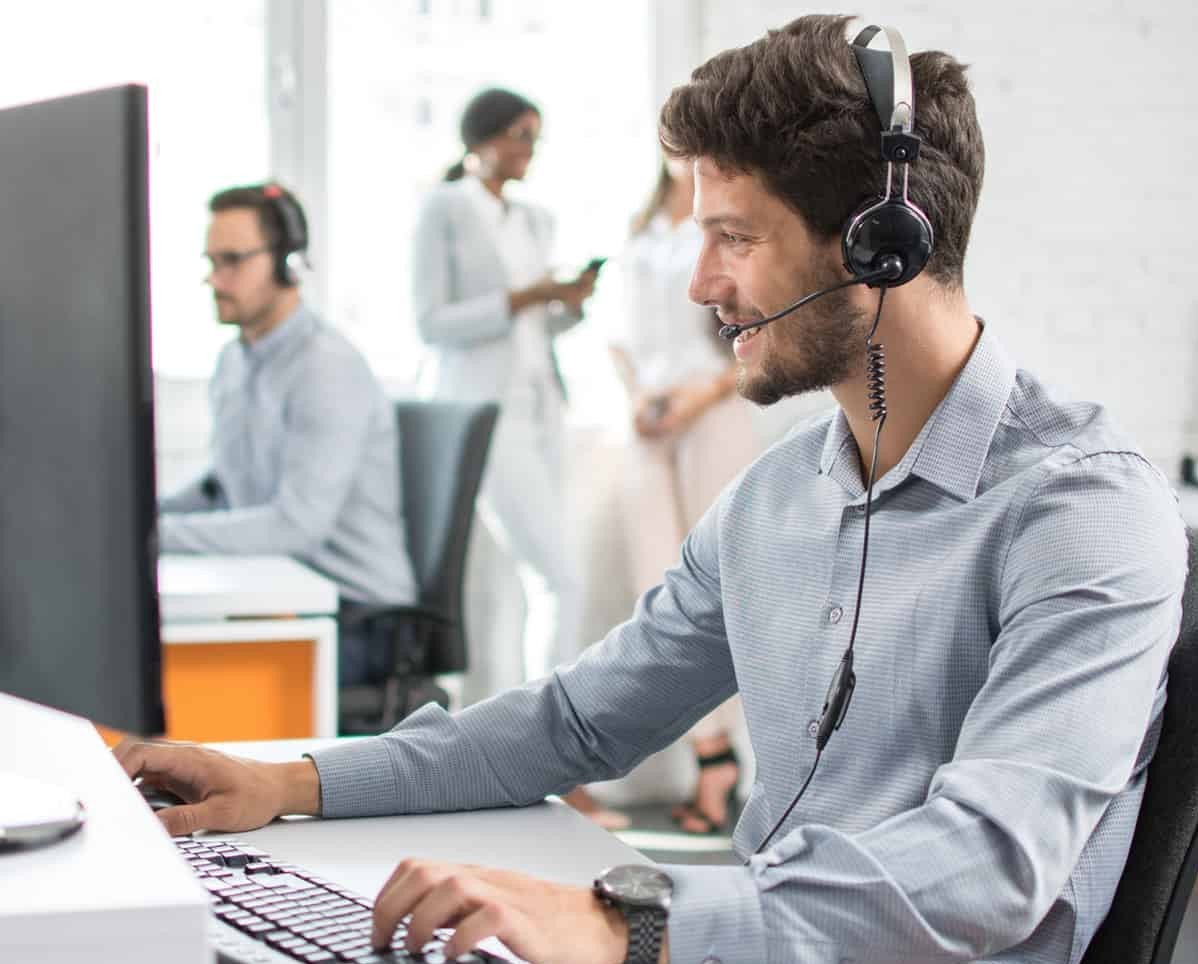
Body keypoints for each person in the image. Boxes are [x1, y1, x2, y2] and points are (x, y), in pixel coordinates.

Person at [121, 17, 1185, 964]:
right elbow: (576, 723)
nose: (698, 283)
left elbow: (987, 868)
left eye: (735, 236)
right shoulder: (775, 500)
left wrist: (627, 922)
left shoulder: (1079, 509)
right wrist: (292, 783)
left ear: (878, 245)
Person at [411, 89, 621, 826]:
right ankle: (555, 759)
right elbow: (432, 323)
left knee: (524, 589)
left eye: (537, 135)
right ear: (484, 139)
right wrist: (527, 293)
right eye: (520, 135)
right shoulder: (445, 208)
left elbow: (540, 329)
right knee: (556, 577)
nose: (530, 147)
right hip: (483, 415)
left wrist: (568, 303)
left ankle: (511, 754)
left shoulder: (535, 217)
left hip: (541, 409)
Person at [159, 184, 418, 687]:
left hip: (358, 620)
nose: (215, 278)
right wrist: (138, 519)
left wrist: (154, 540)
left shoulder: (326, 368)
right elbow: (222, 487)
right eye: (211, 261)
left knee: (181, 687)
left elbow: (295, 525)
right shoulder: (234, 361)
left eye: (232, 260)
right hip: (281, 596)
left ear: (289, 264)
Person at [610, 156, 759, 834]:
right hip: (652, 418)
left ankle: (720, 760)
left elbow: (760, 324)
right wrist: (638, 396)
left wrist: (701, 395)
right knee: (660, 590)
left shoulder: (728, 224)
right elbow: (618, 335)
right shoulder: (641, 226)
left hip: (712, 408)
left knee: (719, 584)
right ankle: (711, 752)